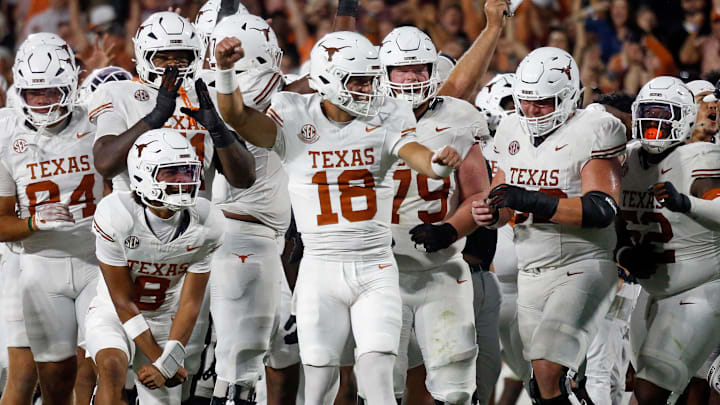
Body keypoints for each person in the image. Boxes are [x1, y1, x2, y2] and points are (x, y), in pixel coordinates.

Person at [214, 30, 462, 405]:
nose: (368, 88)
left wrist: (439, 167)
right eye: (358, 80)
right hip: (319, 268)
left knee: (378, 373)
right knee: (318, 381)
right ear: (328, 80)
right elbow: (236, 115)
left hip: (376, 265)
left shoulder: (387, 113)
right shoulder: (295, 114)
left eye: (370, 79)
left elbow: (416, 154)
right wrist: (226, 72)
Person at [88, 12, 256, 396]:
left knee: (177, 377)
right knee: (111, 366)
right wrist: (156, 117)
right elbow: (105, 161)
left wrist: (218, 126)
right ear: (145, 55)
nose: (173, 65)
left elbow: (244, 177)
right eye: (163, 56)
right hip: (129, 234)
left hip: (186, 241)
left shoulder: (207, 90)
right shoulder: (119, 92)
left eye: (181, 56)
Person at [471, 47, 627, 404]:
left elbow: (601, 208)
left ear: (571, 95)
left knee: (546, 367)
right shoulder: (511, 127)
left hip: (582, 264)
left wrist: (526, 199)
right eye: (525, 101)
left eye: (543, 102)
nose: (531, 110)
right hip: (531, 270)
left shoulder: (595, 128)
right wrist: (491, 214)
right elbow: (502, 200)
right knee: (541, 384)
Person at [377, 26, 494, 405]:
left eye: (419, 69)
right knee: (380, 386)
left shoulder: (460, 117)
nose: (411, 78)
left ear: (433, 71)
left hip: (441, 268)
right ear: (383, 72)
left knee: (456, 386)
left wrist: (451, 228)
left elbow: (479, 193)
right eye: (401, 70)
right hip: (380, 273)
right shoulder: (364, 116)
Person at [85, 129, 224, 405]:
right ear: (142, 174)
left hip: (162, 319)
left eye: (187, 172)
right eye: (171, 173)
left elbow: (190, 303)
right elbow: (123, 302)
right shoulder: (117, 215)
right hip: (113, 313)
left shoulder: (207, 222)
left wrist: (166, 362)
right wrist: (162, 360)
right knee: (111, 369)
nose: (183, 182)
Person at [0, 39, 103, 405]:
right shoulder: (7, 133)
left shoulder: (98, 119)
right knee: (52, 381)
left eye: (51, 91)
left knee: (109, 363)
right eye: (33, 92)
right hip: (38, 263)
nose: (42, 101)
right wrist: (33, 222)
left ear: (72, 84)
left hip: (98, 262)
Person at [204, 13, 296, 405]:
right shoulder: (270, 88)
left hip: (247, 238)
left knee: (282, 351)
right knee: (238, 367)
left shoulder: (201, 87)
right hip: (243, 239)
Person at [617, 76, 720, 405]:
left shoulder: (699, 159)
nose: (654, 123)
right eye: (649, 113)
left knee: (651, 389)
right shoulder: (628, 159)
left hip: (698, 288)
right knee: (651, 388)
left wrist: (687, 203)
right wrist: (623, 251)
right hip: (652, 291)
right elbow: (609, 214)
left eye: (665, 114)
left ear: (686, 118)